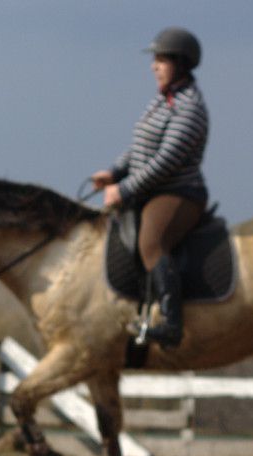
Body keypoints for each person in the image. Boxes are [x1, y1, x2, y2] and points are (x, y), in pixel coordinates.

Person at [92, 27, 209, 348]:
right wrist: (114, 172)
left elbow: (165, 161)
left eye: (161, 60)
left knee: (152, 242)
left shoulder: (189, 107)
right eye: (154, 60)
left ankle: (171, 324)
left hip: (179, 193)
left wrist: (124, 189)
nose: (153, 66)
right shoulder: (162, 101)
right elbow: (140, 146)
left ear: (180, 64)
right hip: (150, 188)